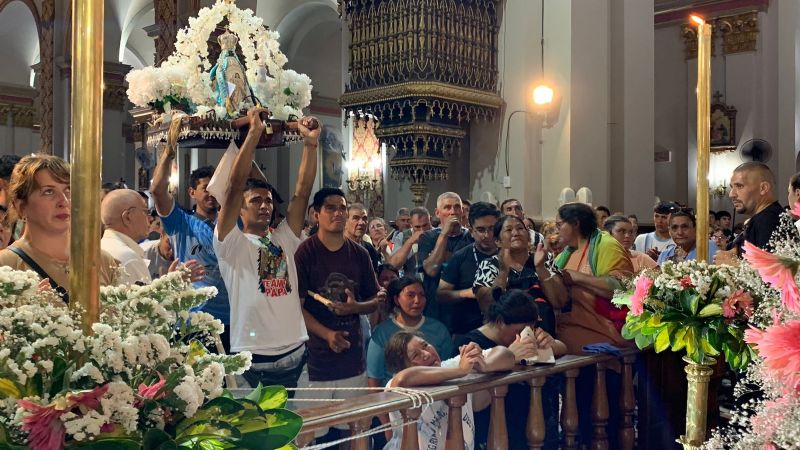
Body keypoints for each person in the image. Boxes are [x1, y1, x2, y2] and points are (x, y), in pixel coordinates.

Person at [213, 110, 320, 390]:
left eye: (269, 201)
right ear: (241, 208)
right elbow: (235, 187)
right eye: (256, 201)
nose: (265, 206)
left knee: (302, 432)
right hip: (251, 356)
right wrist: (253, 135)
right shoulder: (231, 243)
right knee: (253, 433)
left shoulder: (283, 238)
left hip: (295, 350)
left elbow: (302, 191)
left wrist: (310, 145)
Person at [294, 187, 385, 435]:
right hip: (315, 359)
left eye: (342, 207)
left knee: (353, 430)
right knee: (309, 433)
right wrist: (326, 334)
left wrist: (357, 307)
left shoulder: (359, 253)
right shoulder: (305, 252)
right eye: (331, 208)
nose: (338, 213)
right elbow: (297, 308)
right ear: (316, 214)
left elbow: (375, 299)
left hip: (352, 358)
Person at [547, 202, 633, 447]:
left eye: (560, 223)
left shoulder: (605, 244)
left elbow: (623, 288)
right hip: (573, 342)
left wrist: (576, 277)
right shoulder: (568, 251)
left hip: (601, 338)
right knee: (581, 415)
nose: (557, 229)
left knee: (606, 415)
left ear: (575, 224)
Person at [454, 289, 566, 450]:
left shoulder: (527, 336)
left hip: (534, 423)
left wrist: (550, 343)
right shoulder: (471, 344)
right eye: (519, 331)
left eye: (530, 330)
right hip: (496, 430)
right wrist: (510, 356)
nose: (525, 337)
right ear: (500, 322)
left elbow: (562, 348)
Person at [0, 154, 118, 301]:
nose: (64, 201)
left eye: (68, 190)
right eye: (48, 192)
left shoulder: (102, 261)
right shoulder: (6, 266)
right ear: (21, 206)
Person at [151, 140, 233, 350]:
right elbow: (158, 190)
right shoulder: (181, 222)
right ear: (191, 192)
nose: (211, 194)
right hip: (194, 318)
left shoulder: (230, 223)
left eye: (215, 188)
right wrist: (169, 150)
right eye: (205, 189)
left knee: (231, 380)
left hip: (231, 318)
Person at [382, 331, 516, 450]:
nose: (427, 354)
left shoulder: (449, 366)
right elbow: (402, 379)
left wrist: (485, 365)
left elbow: (506, 355)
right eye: (415, 355)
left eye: (425, 345)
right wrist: (460, 371)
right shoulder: (395, 385)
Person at [473, 214, 561, 336]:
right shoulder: (489, 265)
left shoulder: (545, 258)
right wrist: (503, 271)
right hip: (507, 338)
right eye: (508, 230)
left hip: (545, 333)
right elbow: (487, 307)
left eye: (520, 228)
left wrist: (540, 268)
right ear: (498, 242)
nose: (516, 233)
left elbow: (559, 301)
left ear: (529, 237)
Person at [101, 189, 203, 285]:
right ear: (128, 217)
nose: (150, 218)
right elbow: (144, 303)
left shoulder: (104, 245)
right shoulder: (127, 257)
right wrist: (174, 284)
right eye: (146, 211)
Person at [367, 277, 453, 387]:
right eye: (410, 295)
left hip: (436, 392)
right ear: (396, 299)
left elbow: (448, 367)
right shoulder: (381, 333)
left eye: (421, 295)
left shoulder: (439, 329)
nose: (417, 300)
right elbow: (374, 378)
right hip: (395, 396)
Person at [437, 202, 501, 336]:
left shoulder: (508, 254)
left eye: (492, 229)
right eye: (481, 229)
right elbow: (441, 294)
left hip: (506, 326)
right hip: (469, 329)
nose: (487, 235)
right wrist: (466, 293)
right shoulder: (460, 257)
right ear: (471, 231)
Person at [418, 193, 473, 320]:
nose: (453, 212)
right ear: (437, 213)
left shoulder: (470, 237)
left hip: (466, 309)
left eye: (457, 207)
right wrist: (444, 233)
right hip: (436, 308)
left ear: (462, 211)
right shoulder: (427, 237)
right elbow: (431, 270)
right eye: (447, 208)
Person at [715, 162, 782, 265]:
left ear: (763, 188)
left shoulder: (769, 220)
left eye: (739, 186)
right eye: (732, 187)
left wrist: (734, 264)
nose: (731, 194)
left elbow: (772, 271)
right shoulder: (761, 218)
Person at [389, 207, 432, 278]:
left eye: (425, 225)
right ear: (411, 224)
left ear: (430, 220)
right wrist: (410, 241)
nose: (422, 230)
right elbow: (394, 266)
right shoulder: (403, 236)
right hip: (412, 282)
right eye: (417, 227)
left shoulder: (438, 234)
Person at [344, 203, 381, 272]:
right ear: (345, 222)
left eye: (364, 219)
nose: (361, 223)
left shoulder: (369, 249)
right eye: (356, 218)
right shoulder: (336, 247)